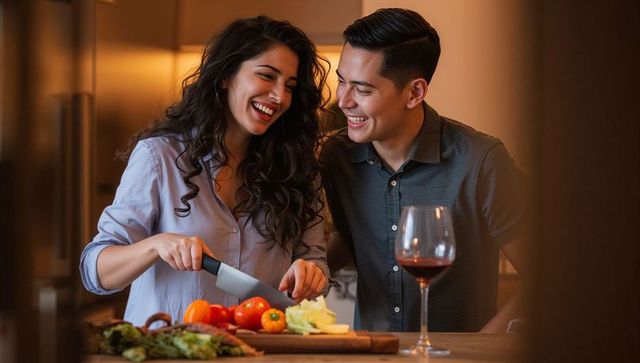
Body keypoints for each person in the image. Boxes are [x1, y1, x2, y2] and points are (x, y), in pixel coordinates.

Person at [80, 16, 330, 326]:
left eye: (290, 86)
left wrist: (311, 274)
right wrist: (156, 245)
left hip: (259, 352)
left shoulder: (299, 170)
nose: (280, 96)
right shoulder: (161, 158)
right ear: (226, 76)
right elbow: (96, 272)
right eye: (267, 76)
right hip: (168, 353)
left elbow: (315, 260)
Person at [320, 8, 528, 332]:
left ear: (414, 92)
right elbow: (349, 237)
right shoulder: (338, 157)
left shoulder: (481, 160)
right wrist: (308, 267)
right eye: (342, 81)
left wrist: (483, 345)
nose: (343, 100)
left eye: (362, 89)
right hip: (373, 353)